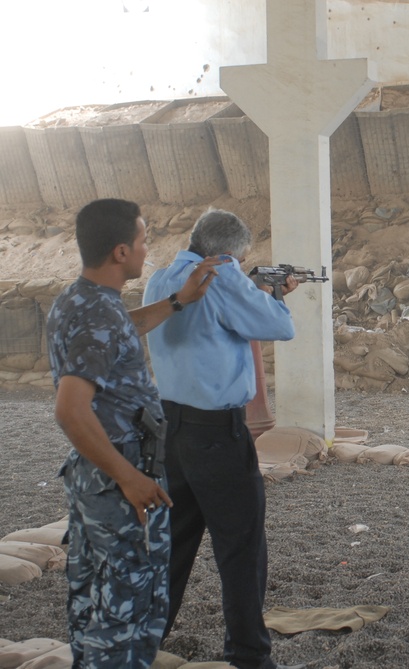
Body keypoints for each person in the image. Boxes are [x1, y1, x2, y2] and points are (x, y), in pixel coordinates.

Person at [47, 198, 222, 668]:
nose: (149, 249)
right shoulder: (96, 313)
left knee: (93, 604)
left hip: (94, 476)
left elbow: (124, 330)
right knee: (128, 615)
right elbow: (70, 409)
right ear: (121, 251)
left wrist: (179, 300)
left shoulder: (80, 299)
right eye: (144, 240)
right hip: (119, 479)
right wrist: (129, 477)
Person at [142, 209, 302, 669]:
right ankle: (249, 656)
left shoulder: (160, 279)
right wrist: (274, 295)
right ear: (228, 253)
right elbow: (279, 327)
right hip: (217, 431)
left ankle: (140, 646)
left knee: (171, 548)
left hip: (171, 429)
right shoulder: (222, 275)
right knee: (241, 548)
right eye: (242, 256)